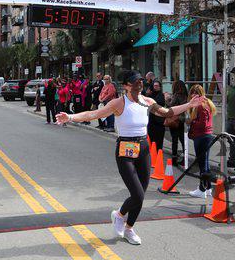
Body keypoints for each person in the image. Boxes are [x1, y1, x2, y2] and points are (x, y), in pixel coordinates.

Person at [56, 70, 203, 245]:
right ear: (126, 85)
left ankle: (129, 228)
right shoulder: (118, 103)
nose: (139, 84)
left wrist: (189, 105)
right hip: (125, 150)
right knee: (138, 195)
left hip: (144, 148)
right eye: (135, 81)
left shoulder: (147, 102)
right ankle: (119, 215)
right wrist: (70, 117)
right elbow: (93, 114)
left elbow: (168, 112)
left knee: (141, 193)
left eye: (140, 80)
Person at [186, 84, 216, 198]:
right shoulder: (207, 102)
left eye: (196, 93)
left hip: (201, 136)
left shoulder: (200, 105)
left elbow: (202, 123)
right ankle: (208, 187)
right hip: (206, 135)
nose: (193, 95)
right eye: (192, 93)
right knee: (205, 163)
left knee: (202, 164)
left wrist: (191, 121)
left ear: (200, 94)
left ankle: (202, 189)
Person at [166, 80, 188, 165]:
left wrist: (167, 99)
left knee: (174, 140)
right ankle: (185, 159)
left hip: (175, 120)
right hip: (182, 119)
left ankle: (174, 159)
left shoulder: (176, 95)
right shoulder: (186, 95)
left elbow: (170, 106)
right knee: (183, 140)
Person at [147, 80, 166, 152]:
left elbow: (160, 103)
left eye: (157, 86)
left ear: (160, 87)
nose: (156, 87)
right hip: (151, 121)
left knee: (159, 140)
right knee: (151, 140)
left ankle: (158, 153)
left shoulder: (161, 95)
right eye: (154, 85)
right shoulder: (150, 95)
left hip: (159, 121)